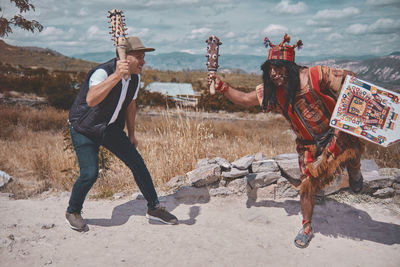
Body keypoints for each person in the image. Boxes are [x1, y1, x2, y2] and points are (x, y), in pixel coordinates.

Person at [208, 34, 364, 248]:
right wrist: (223, 87)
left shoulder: (316, 75)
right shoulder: (272, 92)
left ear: (290, 66)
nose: (274, 74)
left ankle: (356, 175)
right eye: (270, 69)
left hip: (337, 134)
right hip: (308, 144)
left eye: (279, 68)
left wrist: (353, 102)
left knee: (353, 154)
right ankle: (307, 227)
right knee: (307, 185)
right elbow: (244, 100)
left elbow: (350, 79)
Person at [66, 36, 178, 231]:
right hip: (83, 127)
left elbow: (130, 105)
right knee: (90, 173)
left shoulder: (135, 78)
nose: (144, 61)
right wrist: (117, 75)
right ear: (125, 57)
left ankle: (154, 208)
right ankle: (73, 211)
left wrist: (132, 134)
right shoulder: (102, 72)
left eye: (144, 57)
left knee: (137, 163)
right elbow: (91, 99)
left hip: (108, 128)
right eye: (140, 57)